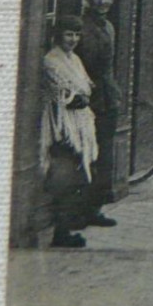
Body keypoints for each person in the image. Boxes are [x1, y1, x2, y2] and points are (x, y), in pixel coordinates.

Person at [41, 16, 98, 248]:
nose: (73, 39)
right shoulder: (51, 60)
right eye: (68, 34)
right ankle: (60, 232)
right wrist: (79, 96)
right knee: (64, 174)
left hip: (79, 121)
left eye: (76, 35)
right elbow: (67, 93)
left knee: (77, 172)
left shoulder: (74, 59)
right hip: (61, 122)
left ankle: (67, 227)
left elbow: (86, 87)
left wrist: (81, 95)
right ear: (58, 36)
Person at [75, 0, 120, 228]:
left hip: (107, 97)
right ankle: (81, 209)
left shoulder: (109, 27)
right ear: (89, 0)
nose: (103, 2)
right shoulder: (83, 26)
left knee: (104, 155)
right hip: (88, 96)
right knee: (87, 153)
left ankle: (95, 208)